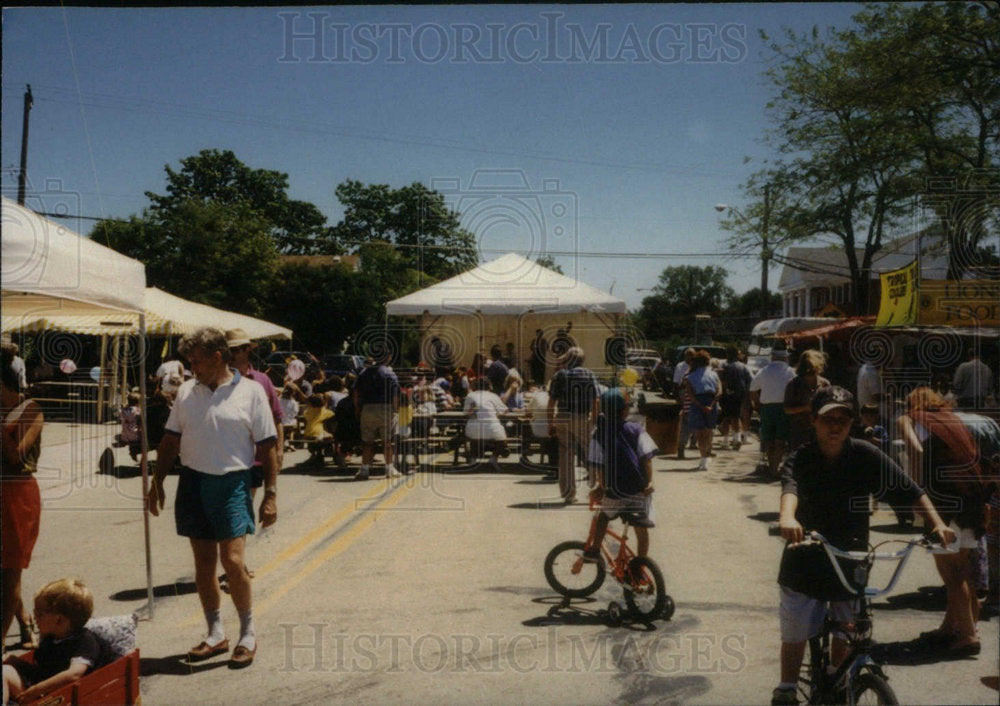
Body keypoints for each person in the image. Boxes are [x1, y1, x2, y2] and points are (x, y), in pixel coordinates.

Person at [772, 386, 954, 706]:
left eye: (843, 418)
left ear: (852, 422)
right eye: (828, 418)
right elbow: (790, 490)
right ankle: (787, 687)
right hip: (806, 557)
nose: (835, 425)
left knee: (849, 631)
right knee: (797, 630)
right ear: (814, 420)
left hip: (850, 559)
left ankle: (837, 680)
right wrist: (788, 519)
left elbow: (911, 490)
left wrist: (936, 523)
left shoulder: (864, 454)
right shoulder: (801, 457)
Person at [146, 327, 278, 669]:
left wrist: (270, 495)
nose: (191, 368)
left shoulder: (250, 392)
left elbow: (268, 446)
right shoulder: (188, 391)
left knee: (232, 562)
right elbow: (170, 440)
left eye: (196, 361)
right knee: (203, 565)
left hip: (232, 482)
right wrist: (156, 482)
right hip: (192, 481)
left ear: (217, 357)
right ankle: (215, 633)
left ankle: (247, 634)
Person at [896, 387, 987, 656]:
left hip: (943, 498)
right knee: (964, 568)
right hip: (972, 497)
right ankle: (954, 627)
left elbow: (915, 449)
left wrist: (916, 490)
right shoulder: (952, 419)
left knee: (951, 572)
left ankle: (968, 636)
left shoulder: (909, 418)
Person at [1, 348, 44, 657]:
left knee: (10, 570)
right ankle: (25, 621)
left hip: (17, 494)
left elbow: (16, 458)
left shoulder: (31, 410)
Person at [584, 389, 657, 562]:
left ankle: (594, 551)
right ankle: (641, 562)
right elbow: (646, 459)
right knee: (641, 527)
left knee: (603, 516)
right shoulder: (636, 429)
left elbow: (599, 465)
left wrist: (601, 487)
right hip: (639, 488)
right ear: (624, 411)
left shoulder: (598, 434)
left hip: (616, 490)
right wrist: (651, 481)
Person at [2, 579, 101, 705]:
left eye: (39, 614)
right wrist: (14, 661)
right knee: (6, 669)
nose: (34, 617)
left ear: (59, 620)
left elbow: (74, 674)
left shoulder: (84, 641)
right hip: (41, 690)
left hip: (60, 696)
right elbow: (40, 671)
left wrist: (38, 689)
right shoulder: (50, 638)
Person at [226, 329, 285, 492]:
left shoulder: (262, 380)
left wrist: (279, 450)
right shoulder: (219, 381)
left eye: (235, 349)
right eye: (229, 350)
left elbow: (277, 417)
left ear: (247, 350)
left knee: (247, 504)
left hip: (257, 457)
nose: (231, 354)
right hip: (228, 456)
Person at [547, 347, 600, 504]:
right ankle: (597, 488)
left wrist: (551, 423)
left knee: (565, 455)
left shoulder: (559, 375)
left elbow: (551, 403)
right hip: (582, 417)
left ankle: (569, 494)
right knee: (590, 453)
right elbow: (596, 400)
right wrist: (594, 419)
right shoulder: (589, 374)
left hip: (563, 417)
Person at [353, 355, 401, 480]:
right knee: (387, 441)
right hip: (385, 408)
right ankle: (389, 469)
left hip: (368, 408)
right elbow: (395, 395)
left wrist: (358, 408)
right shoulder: (390, 374)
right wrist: (395, 410)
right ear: (387, 358)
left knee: (367, 441)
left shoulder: (363, 373)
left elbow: (356, 392)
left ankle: (364, 470)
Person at [750, 349, 796, 478]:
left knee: (768, 440)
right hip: (784, 408)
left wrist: (758, 405)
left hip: (767, 408)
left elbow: (752, 390)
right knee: (780, 440)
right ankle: (775, 468)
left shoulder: (764, 371)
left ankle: (772, 468)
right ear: (785, 358)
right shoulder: (790, 371)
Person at [783, 349, 831, 454]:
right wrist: (805, 408)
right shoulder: (794, 384)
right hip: (799, 431)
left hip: (820, 430)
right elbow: (787, 409)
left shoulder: (825, 384)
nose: (809, 371)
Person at [682, 350, 721, 470]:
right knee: (709, 432)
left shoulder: (689, 376)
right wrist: (712, 404)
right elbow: (719, 391)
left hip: (697, 404)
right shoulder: (714, 374)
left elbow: (691, 395)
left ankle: (703, 459)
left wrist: (701, 406)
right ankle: (707, 457)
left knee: (699, 434)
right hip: (712, 402)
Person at [463, 378, 509, 469]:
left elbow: (466, 412)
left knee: (474, 436)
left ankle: (473, 459)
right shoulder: (493, 396)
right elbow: (504, 411)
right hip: (493, 429)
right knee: (502, 439)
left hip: (473, 430)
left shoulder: (470, 395)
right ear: (489, 387)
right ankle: (494, 458)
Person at [718, 346, 752, 450]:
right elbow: (751, 380)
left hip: (725, 394)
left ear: (727, 354)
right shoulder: (744, 366)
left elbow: (718, 379)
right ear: (737, 355)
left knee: (725, 418)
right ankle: (737, 439)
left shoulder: (722, 365)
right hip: (739, 395)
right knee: (736, 416)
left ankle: (725, 441)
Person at [302, 394, 334, 463]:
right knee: (328, 436)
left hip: (308, 433)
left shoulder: (308, 412)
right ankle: (320, 454)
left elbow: (305, 415)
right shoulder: (326, 412)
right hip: (319, 432)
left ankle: (314, 454)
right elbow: (331, 414)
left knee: (311, 441)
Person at [118, 390, 143, 462]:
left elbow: (120, 417)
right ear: (137, 402)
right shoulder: (138, 410)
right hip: (135, 435)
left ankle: (133, 450)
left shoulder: (123, 410)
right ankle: (135, 451)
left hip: (124, 435)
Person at [278, 386, 299, 453]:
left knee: (283, 432)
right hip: (290, 422)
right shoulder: (293, 402)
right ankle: (291, 443)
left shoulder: (279, 400)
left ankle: (284, 443)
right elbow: (295, 412)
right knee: (291, 431)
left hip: (281, 422)